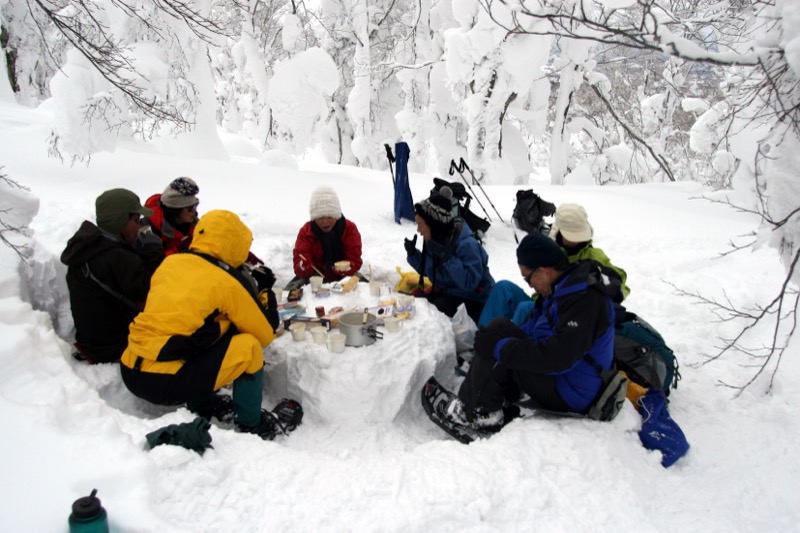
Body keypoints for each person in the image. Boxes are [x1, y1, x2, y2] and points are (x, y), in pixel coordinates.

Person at [120, 210, 299, 440]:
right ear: (234, 245)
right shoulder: (226, 281)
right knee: (249, 347)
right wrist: (265, 291)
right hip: (164, 381)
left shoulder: (170, 263)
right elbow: (264, 334)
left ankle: (204, 405)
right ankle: (252, 425)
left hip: (131, 366)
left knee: (209, 328)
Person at [434, 233, 622, 433]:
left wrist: (498, 348)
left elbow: (558, 357)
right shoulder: (560, 288)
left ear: (544, 270)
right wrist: (493, 340)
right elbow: (529, 329)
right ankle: (491, 397)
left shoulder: (585, 300)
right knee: (499, 328)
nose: (529, 285)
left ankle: (477, 413)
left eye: (528, 277)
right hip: (562, 376)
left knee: (502, 347)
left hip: (573, 390)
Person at [477, 202, 629, 329]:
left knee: (525, 309)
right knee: (504, 289)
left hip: (560, 313)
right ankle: (482, 341)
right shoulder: (552, 249)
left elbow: (620, 284)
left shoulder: (593, 257)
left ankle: (508, 356)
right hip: (540, 302)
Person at [61, 189, 164, 364]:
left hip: (94, 340)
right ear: (120, 221)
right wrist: (153, 250)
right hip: (113, 346)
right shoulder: (115, 256)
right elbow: (157, 290)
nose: (139, 225)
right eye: (135, 220)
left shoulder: (92, 245)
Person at [404, 186, 495, 324]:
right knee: (417, 302)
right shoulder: (435, 239)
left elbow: (469, 283)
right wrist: (413, 254)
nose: (418, 230)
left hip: (477, 300)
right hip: (451, 292)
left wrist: (449, 260)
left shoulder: (467, 244)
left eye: (421, 224)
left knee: (436, 311)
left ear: (434, 224)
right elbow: (433, 272)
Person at [286, 186, 363, 290]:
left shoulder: (349, 229)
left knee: (365, 289)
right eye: (320, 217)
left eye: (329, 217)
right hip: (314, 277)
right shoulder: (306, 232)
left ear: (336, 215)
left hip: (344, 277)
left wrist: (347, 267)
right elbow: (299, 266)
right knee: (288, 293)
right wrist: (304, 265)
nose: (325, 222)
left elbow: (355, 261)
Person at [138, 177, 200, 257]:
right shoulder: (146, 230)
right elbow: (152, 264)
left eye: (195, 206)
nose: (194, 212)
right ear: (176, 210)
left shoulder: (195, 225)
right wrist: (178, 250)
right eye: (189, 209)